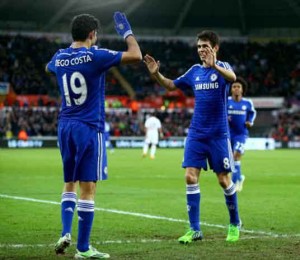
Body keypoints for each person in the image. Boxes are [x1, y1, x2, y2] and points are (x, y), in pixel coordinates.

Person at [46, 12, 142, 258]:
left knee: (69, 182)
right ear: (91, 35)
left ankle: (65, 231)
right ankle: (83, 249)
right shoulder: (96, 55)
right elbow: (136, 56)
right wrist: (127, 33)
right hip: (89, 127)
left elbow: (49, 68)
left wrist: (73, 53)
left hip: (65, 126)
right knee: (88, 188)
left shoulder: (59, 56)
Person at [144, 30, 241, 243]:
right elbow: (171, 85)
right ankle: (194, 229)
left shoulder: (223, 68)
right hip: (196, 133)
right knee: (190, 176)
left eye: (205, 46)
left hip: (218, 135)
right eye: (198, 47)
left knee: (224, 181)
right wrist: (156, 74)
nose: (201, 50)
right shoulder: (194, 71)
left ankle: (234, 222)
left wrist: (215, 64)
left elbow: (233, 78)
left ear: (215, 48)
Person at [227, 77, 256, 192]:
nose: (236, 89)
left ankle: (233, 183)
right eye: (234, 87)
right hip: (228, 135)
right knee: (232, 159)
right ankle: (239, 177)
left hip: (241, 134)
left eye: (239, 87)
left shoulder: (247, 103)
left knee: (236, 155)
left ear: (242, 90)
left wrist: (250, 122)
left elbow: (252, 114)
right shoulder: (227, 101)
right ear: (231, 89)